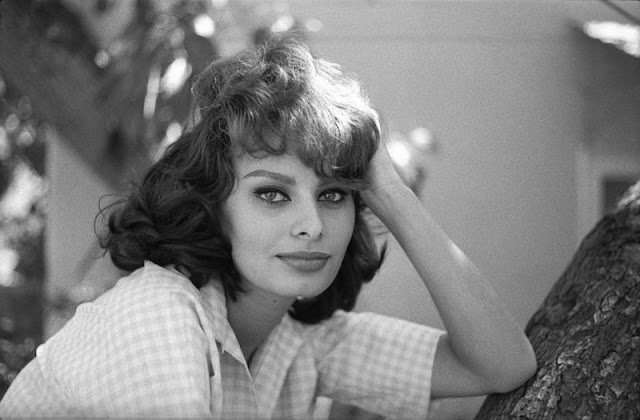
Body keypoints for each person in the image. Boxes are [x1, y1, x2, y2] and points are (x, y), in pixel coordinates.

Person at [0, 37, 536, 418]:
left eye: (333, 195)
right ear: (211, 204)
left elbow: (501, 366)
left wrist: (389, 191)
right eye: (272, 194)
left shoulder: (300, 342)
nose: (312, 226)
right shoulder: (156, 317)